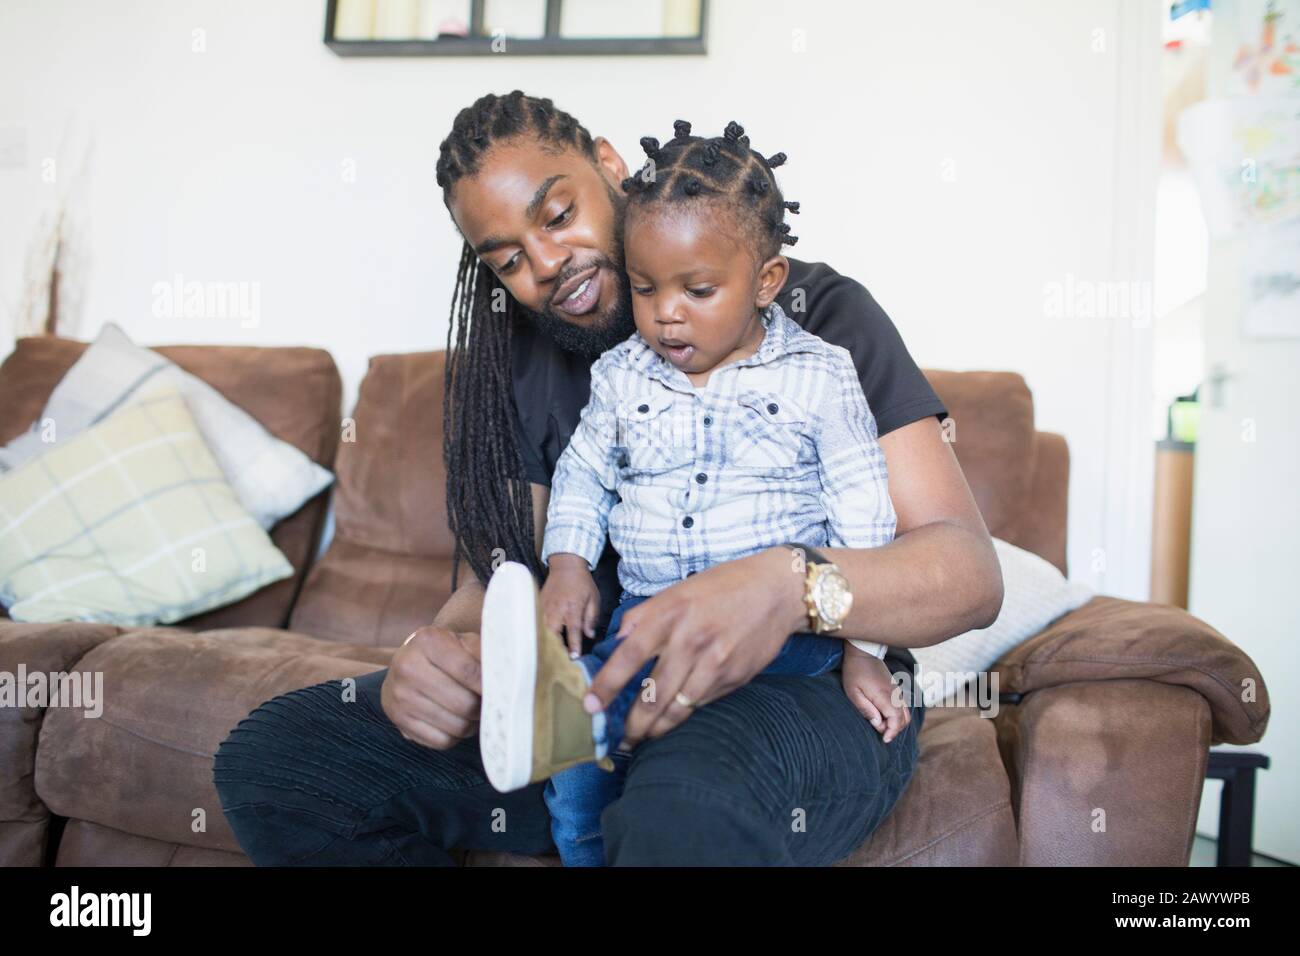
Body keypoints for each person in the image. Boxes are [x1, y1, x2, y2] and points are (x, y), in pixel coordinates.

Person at [213, 91, 1003, 866]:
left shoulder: (815, 320)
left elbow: (968, 575)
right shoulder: (524, 364)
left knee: (678, 807)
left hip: (798, 689)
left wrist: (787, 588)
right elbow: (502, 578)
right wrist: (439, 655)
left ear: (609, 166)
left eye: (557, 216)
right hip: (594, 696)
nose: (550, 264)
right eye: (510, 260)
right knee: (277, 762)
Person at [477, 120, 915, 867]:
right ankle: (556, 740)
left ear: (767, 281)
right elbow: (583, 473)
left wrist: (862, 650)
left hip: (783, 645)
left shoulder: (820, 374)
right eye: (645, 288)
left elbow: (862, 513)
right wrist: (570, 565)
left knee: (689, 760)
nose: (664, 313)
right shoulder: (622, 373)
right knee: (587, 741)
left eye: (698, 290)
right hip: (646, 629)